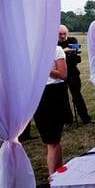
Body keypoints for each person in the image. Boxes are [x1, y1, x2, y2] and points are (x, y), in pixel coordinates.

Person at [34, 45, 69, 179]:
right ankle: (56, 175)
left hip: (53, 93)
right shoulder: (30, 50)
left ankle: (56, 175)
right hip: (41, 94)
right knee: (51, 140)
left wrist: (44, 69)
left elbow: (63, 74)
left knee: (54, 139)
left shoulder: (56, 49)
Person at [58, 24, 91, 124]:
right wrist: (64, 51)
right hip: (60, 74)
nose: (63, 36)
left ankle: (85, 117)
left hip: (73, 73)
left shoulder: (72, 39)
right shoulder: (53, 43)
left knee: (77, 95)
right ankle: (68, 120)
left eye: (64, 34)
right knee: (63, 98)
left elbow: (76, 47)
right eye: (60, 34)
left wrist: (62, 51)